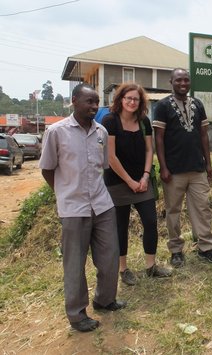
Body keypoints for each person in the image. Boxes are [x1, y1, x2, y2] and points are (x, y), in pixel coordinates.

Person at [39, 83, 125, 333]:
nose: (94, 106)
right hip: (73, 209)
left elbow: (101, 168)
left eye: (97, 102)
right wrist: (64, 194)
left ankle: (105, 299)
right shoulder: (57, 132)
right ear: (74, 100)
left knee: (110, 257)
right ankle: (77, 315)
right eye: (89, 101)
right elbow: (47, 169)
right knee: (74, 265)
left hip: (102, 204)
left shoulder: (101, 132)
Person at [102, 83, 171, 286]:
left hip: (142, 182)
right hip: (117, 182)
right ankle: (123, 269)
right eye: (128, 98)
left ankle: (151, 266)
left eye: (136, 99)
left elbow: (150, 150)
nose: (132, 102)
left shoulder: (143, 122)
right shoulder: (110, 121)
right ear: (120, 99)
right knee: (120, 226)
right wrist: (130, 181)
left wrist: (145, 176)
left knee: (150, 222)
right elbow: (110, 156)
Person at [153, 68, 212, 267]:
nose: (183, 83)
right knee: (173, 211)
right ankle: (176, 250)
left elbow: (203, 135)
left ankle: (206, 247)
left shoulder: (197, 104)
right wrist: (163, 167)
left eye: (186, 80)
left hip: (197, 169)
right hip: (173, 171)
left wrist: (208, 164)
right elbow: (159, 138)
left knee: (202, 209)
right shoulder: (162, 106)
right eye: (178, 80)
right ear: (171, 82)